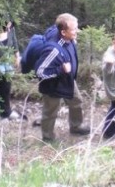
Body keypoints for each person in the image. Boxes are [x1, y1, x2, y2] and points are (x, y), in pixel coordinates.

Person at [35, 13, 90, 142]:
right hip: (53, 87)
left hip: (68, 81)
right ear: (63, 32)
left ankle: (76, 126)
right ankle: (47, 137)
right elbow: (40, 71)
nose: (77, 31)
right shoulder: (53, 50)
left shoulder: (68, 37)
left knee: (76, 101)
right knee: (50, 112)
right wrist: (61, 69)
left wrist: (72, 37)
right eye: (74, 29)